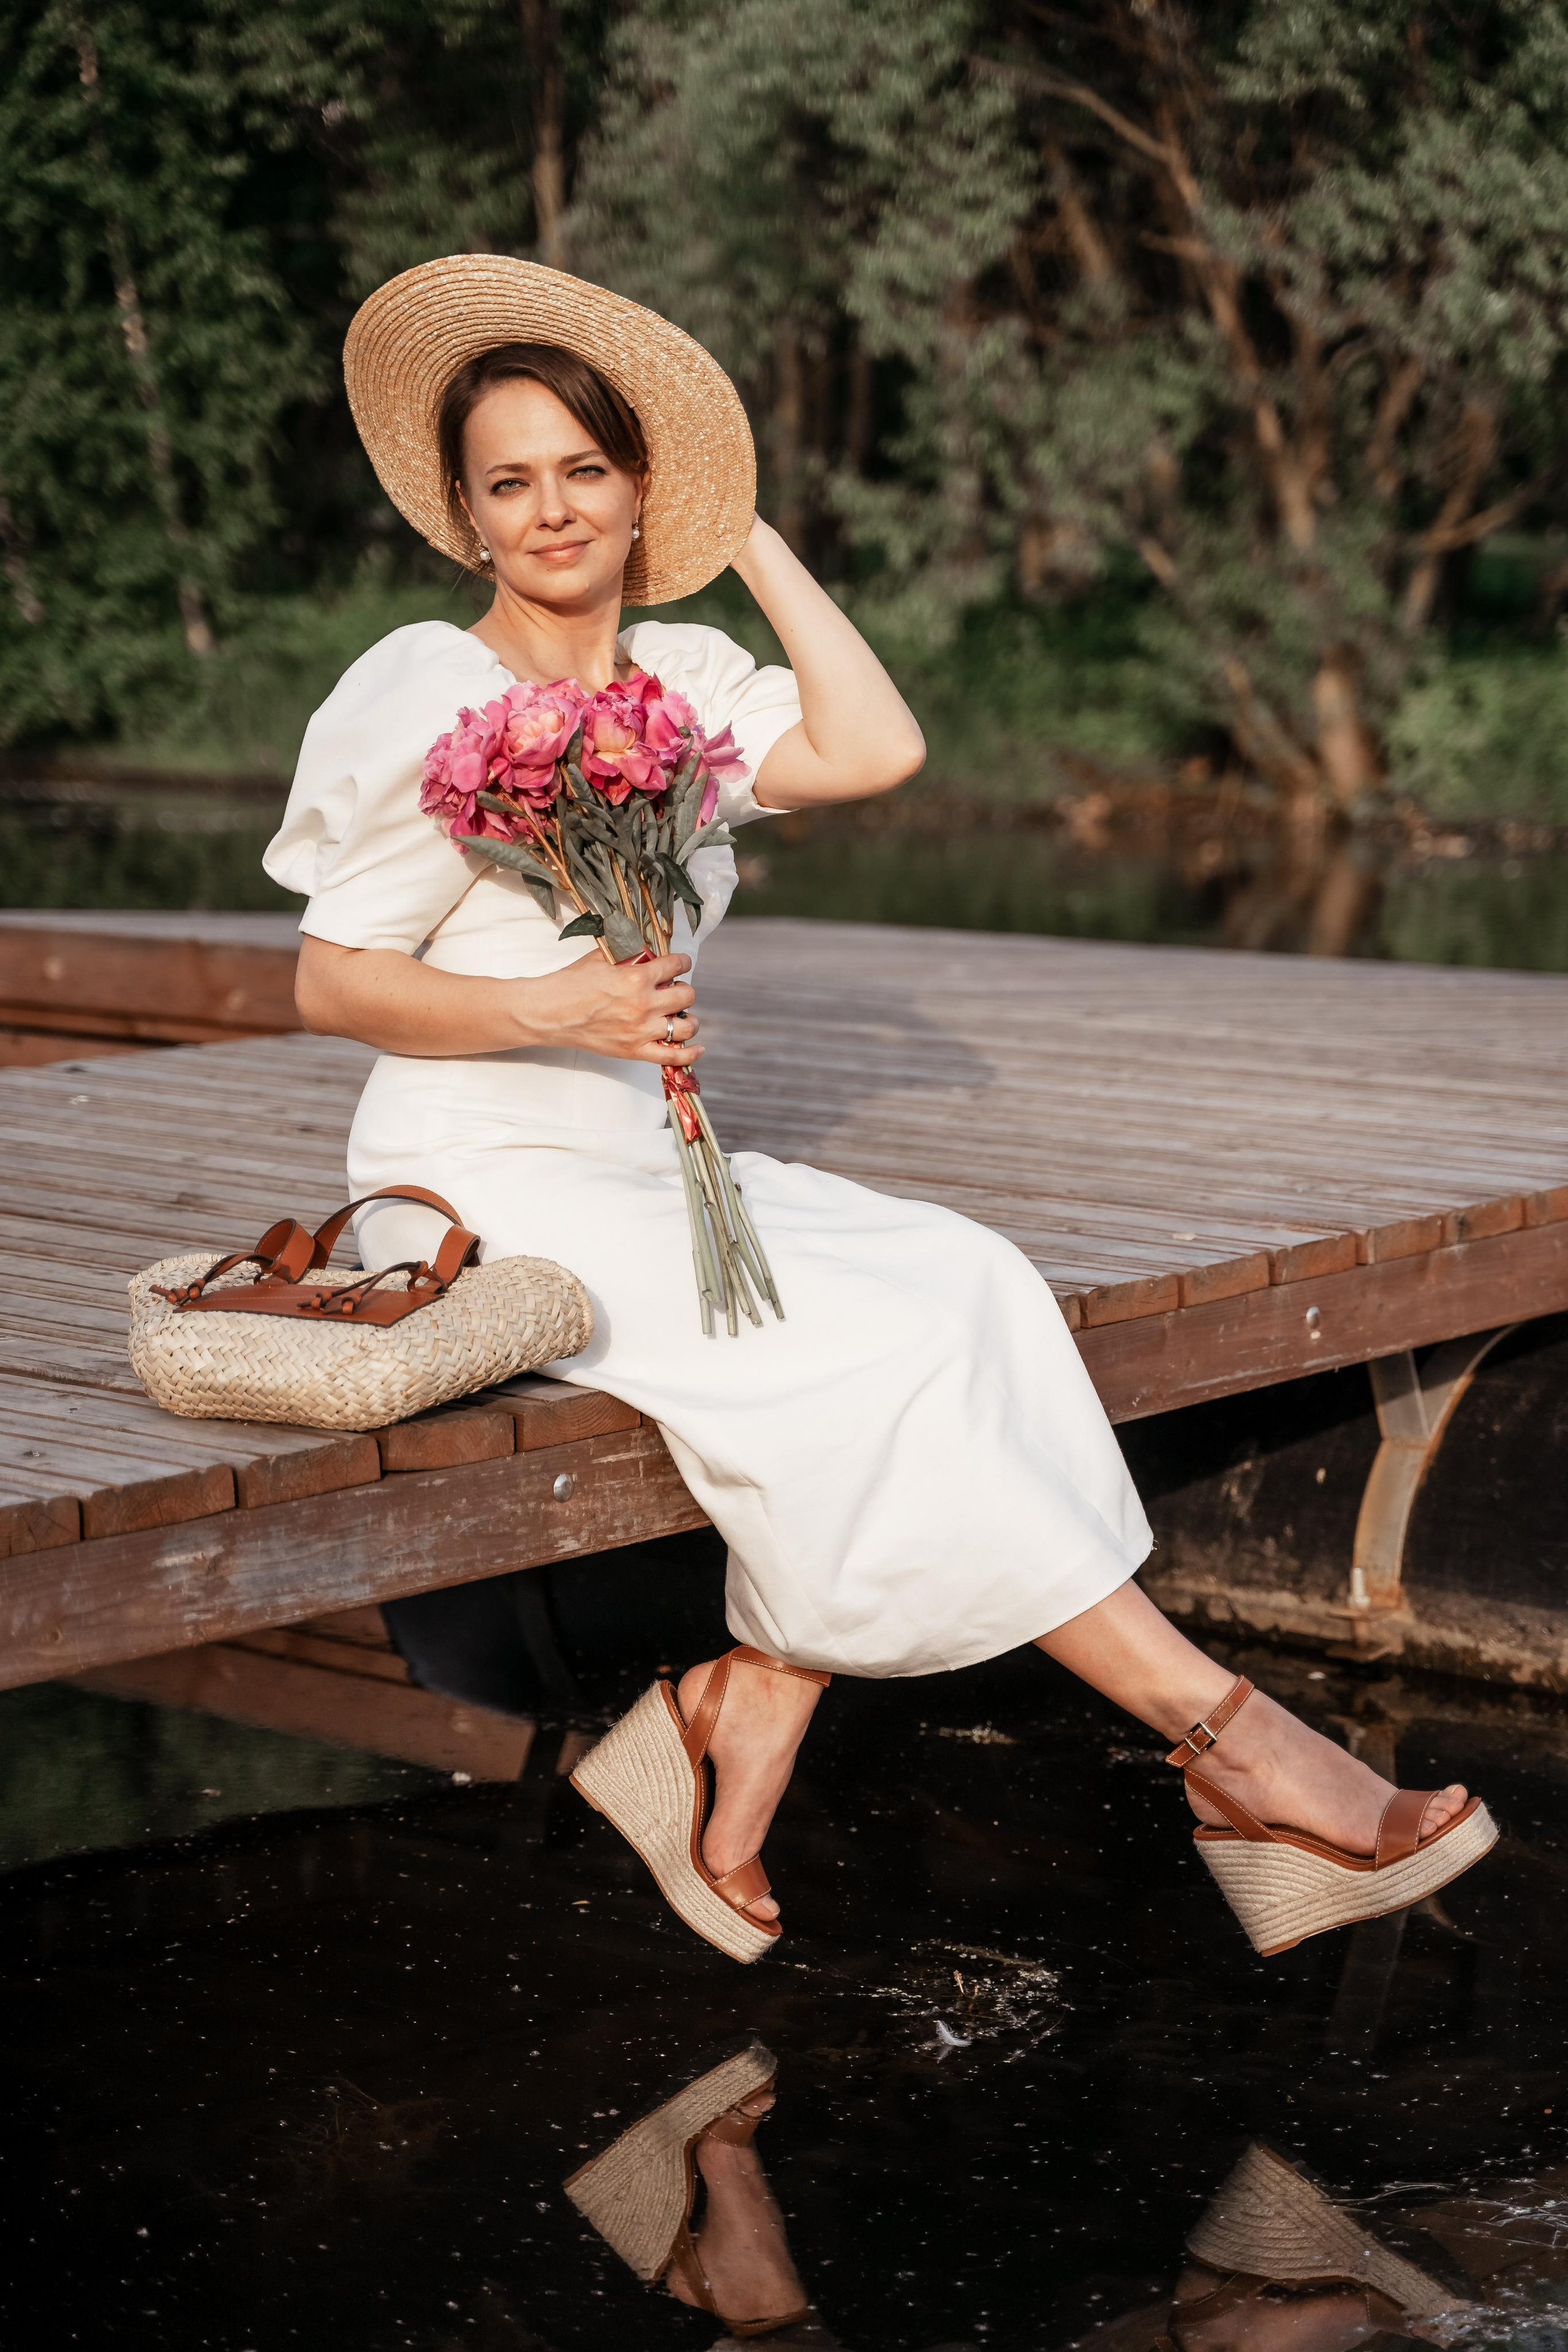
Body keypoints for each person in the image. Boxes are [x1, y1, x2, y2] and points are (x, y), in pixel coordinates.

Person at [266, 255, 1494, 1968]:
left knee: (970, 1281)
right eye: (512, 482)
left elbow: (879, 746)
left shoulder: (685, 681)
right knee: (867, 1356)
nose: (554, 512)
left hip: (648, 1151)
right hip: (475, 1169)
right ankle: (1236, 1748)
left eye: (589, 472)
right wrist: (549, 1003)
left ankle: (736, 1721)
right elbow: (328, 982)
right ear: (466, 515)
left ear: (638, 492)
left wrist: (745, 529)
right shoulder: (422, 688)